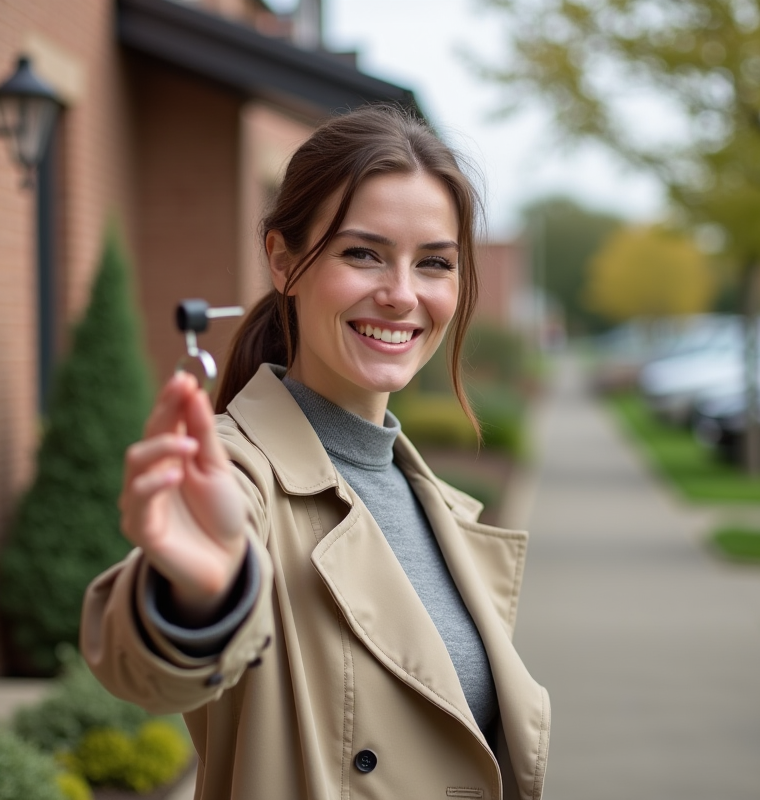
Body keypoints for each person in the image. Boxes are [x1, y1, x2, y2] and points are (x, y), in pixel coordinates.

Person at [81, 104, 550, 800]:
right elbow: (141, 666)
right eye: (363, 253)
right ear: (284, 261)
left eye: (434, 263)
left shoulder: (432, 503)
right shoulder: (240, 475)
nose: (400, 294)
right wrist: (201, 591)